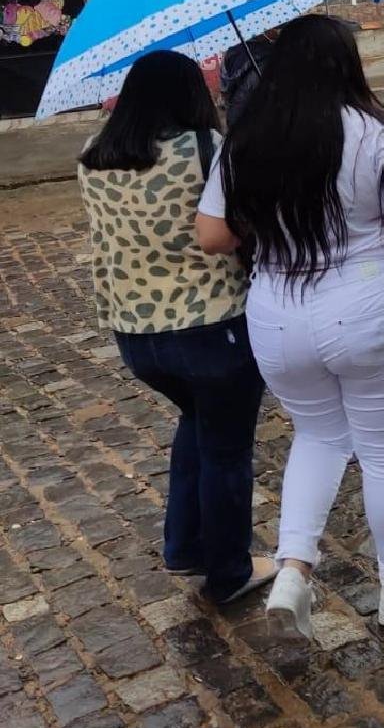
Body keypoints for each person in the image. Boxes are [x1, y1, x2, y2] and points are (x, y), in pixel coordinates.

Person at [196, 14, 384, 640]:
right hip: (370, 309)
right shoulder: (374, 132)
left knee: (317, 438)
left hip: (279, 315)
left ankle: (293, 569)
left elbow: (212, 235)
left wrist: (269, 210)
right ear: (347, 65)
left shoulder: (245, 140)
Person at [78, 51, 273, 605]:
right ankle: (231, 570)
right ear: (189, 94)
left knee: (197, 423)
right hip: (212, 329)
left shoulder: (92, 157)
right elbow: (240, 226)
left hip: (136, 337)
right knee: (227, 451)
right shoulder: (207, 151)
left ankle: (185, 544)